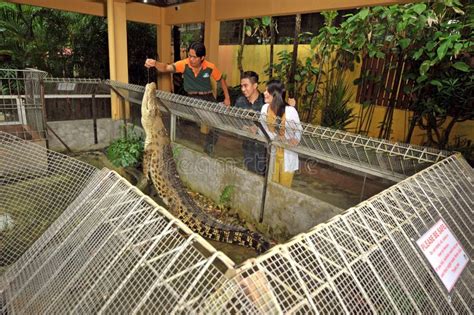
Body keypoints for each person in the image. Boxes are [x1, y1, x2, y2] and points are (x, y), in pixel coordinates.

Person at [144, 42, 230, 155]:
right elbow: (166, 67)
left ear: (202, 58)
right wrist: (155, 63)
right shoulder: (184, 64)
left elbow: (221, 80)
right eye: (189, 55)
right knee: (204, 119)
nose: (190, 59)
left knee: (218, 126)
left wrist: (227, 98)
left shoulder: (210, 67)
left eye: (194, 57)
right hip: (193, 98)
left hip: (208, 97)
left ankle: (208, 149)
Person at [259, 79, 302, 188]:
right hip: (273, 152)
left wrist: (293, 140)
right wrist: (275, 138)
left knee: (284, 187)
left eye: (267, 91)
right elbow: (262, 129)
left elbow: (298, 130)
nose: (264, 93)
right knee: (271, 185)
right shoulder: (265, 109)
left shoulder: (290, 111)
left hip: (287, 154)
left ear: (276, 95)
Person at [234, 71, 266, 175]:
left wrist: (259, 128)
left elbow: (275, 124)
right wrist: (244, 127)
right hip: (247, 147)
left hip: (264, 149)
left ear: (255, 85)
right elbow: (234, 120)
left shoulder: (265, 103)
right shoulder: (240, 101)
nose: (243, 89)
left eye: (246, 86)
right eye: (241, 86)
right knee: (250, 174)